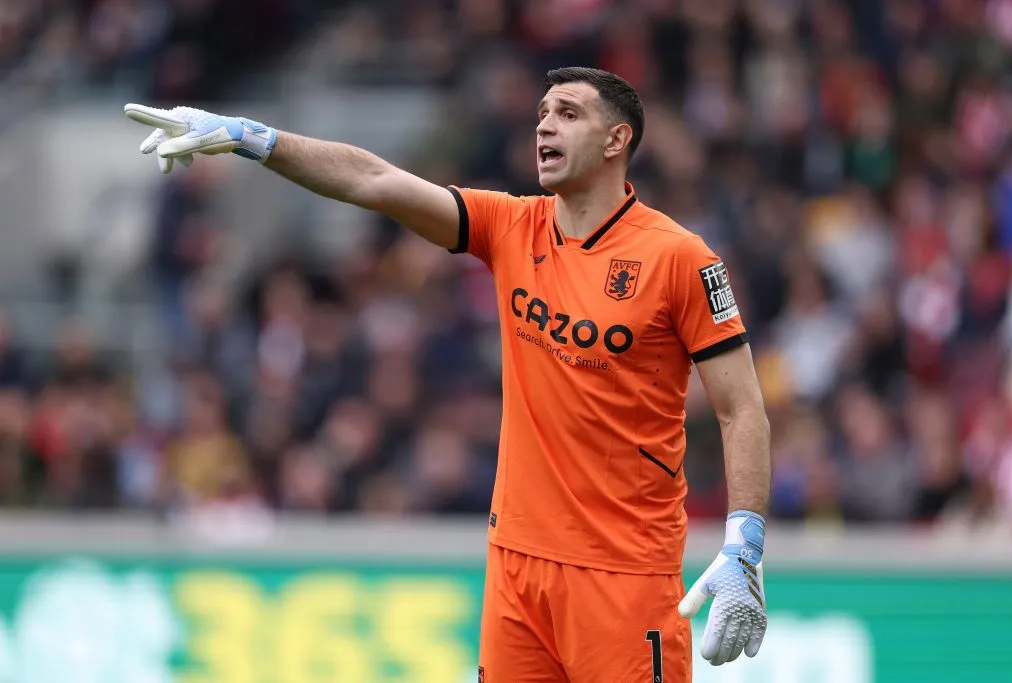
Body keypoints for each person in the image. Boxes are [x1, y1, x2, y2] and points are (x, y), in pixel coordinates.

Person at [125, 66, 771, 683]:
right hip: (515, 566)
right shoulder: (511, 225)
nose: (544, 127)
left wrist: (745, 543)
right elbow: (373, 181)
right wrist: (252, 138)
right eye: (541, 114)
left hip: (624, 575)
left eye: (567, 115)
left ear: (616, 140)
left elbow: (742, 408)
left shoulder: (680, 258)